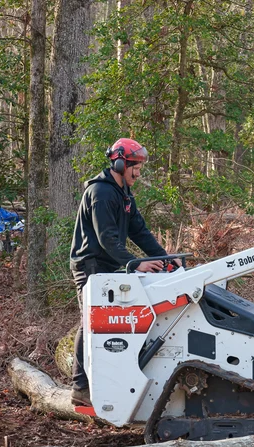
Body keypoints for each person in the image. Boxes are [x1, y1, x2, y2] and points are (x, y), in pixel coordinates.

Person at [68, 138, 168, 407]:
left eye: (139, 167)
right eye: (135, 166)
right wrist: (135, 264)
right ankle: (80, 388)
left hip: (110, 264)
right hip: (91, 264)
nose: (138, 172)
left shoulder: (123, 193)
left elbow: (140, 231)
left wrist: (166, 260)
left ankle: (110, 381)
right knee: (90, 323)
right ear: (121, 163)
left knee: (113, 323)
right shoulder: (101, 193)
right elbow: (107, 239)